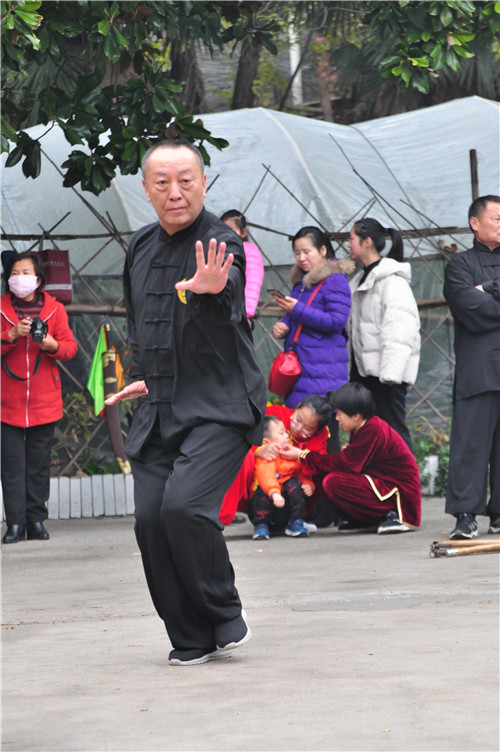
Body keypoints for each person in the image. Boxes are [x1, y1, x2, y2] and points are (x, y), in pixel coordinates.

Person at [105, 140, 267, 667]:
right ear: (146, 188)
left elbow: (230, 300)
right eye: (162, 182)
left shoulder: (220, 241)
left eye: (185, 180)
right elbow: (138, 321)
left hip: (219, 403)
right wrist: (143, 376)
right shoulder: (139, 246)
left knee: (184, 507)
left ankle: (223, 611)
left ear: (203, 183)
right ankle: (191, 634)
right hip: (160, 405)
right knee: (150, 521)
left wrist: (214, 288)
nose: (175, 192)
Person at [1, 251, 78, 544]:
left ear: (38, 279)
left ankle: (36, 521)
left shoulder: (55, 310)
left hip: (44, 401)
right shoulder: (0, 308)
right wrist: (10, 335)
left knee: (38, 465)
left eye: (25, 273)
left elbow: (70, 348)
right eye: (14, 273)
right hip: (6, 403)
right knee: (11, 467)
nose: (19, 279)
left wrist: (51, 344)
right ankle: (15, 524)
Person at [280, 383, 421, 535]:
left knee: (333, 481)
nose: (337, 418)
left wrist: (302, 455)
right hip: (381, 482)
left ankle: (393, 515)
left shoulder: (372, 429)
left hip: (399, 493)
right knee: (326, 475)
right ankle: (367, 520)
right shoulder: (362, 427)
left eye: (340, 414)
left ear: (356, 416)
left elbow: (344, 464)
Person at [443, 195, 500, 540]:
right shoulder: (460, 265)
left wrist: (488, 289)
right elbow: (470, 309)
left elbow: (482, 302)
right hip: (478, 365)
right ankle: (466, 515)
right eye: (497, 218)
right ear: (474, 223)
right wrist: (485, 296)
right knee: (470, 444)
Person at [270, 226, 354, 453]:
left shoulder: (335, 280)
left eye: (307, 252)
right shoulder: (301, 283)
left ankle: (331, 477)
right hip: (302, 370)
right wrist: (284, 326)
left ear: (323, 250)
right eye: (297, 253)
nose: (301, 258)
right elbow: (295, 316)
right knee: (298, 439)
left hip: (323, 373)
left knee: (325, 441)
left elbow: (336, 321)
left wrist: (297, 309)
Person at [348, 218, 421, 451]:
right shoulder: (358, 280)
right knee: (365, 436)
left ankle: (407, 475)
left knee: (392, 433)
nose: (348, 244)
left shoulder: (392, 280)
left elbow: (401, 328)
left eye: (352, 238)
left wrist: (391, 373)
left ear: (367, 242)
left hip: (385, 375)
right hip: (364, 373)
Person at [219, 394, 330, 528]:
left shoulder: (320, 435)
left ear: (317, 430)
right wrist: (257, 450)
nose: (298, 428)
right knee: (244, 456)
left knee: (325, 471)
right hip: (258, 487)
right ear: (297, 407)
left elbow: (312, 468)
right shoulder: (275, 413)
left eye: (308, 429)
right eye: (298, 419)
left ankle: (298, 517)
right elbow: (241, 434)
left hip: (292, 491)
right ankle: (222, 516)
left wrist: (299, 454)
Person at [249, 415, 315, 540]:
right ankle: (261, 525)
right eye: (281, 433)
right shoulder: (266, 456)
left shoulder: (289, 453)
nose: (287, 435)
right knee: (262, 490)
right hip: (268, 502)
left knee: (294, 483)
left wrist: (307, 484)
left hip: (284, 505)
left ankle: (295, 521)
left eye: (285, 431)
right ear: (266, 442)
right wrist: (274, 492)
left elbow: (298, 472)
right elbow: (266, 476)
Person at [220, 210, 265, 322]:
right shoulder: (219, 251)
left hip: (239, 314)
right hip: (221, 311)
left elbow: (253, 282)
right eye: (222, 230)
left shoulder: (249, 251)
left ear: (243, 232)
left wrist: (246, 312)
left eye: (232, 230)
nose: (226, 234)